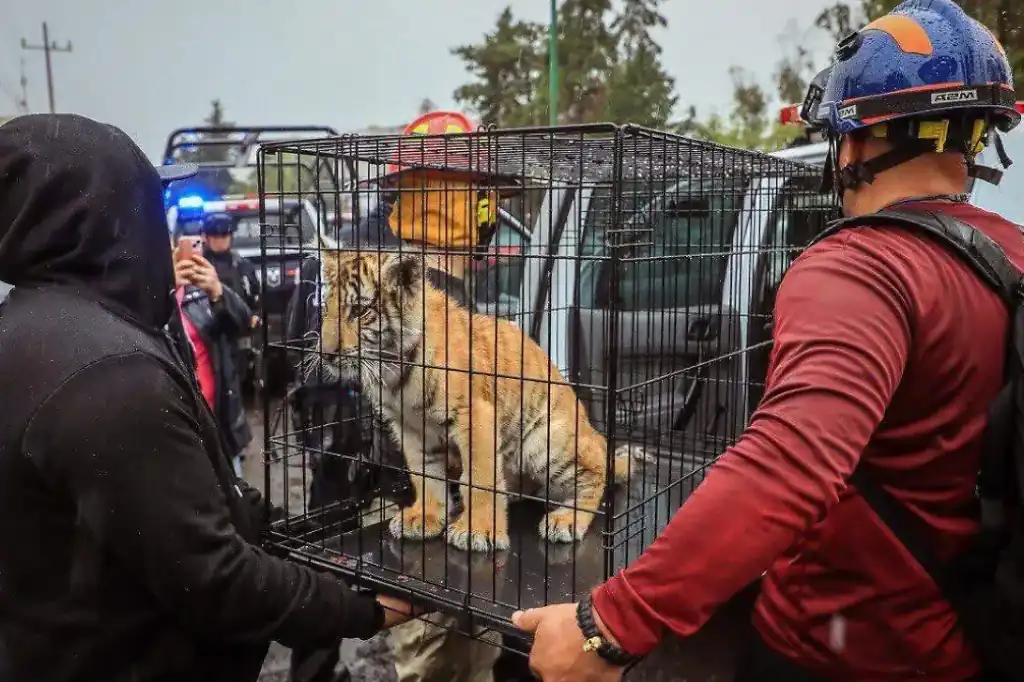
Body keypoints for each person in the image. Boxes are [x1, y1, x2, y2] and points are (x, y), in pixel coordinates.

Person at [511, 2, 1022, 681]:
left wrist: (608, 624)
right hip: (968, 639)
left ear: (853, 143)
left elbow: (787, 468)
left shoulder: (858, 266)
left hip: (836, 652)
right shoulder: (1010, 254)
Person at [0, 113, 420, 682]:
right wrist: (361, 609)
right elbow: (213, 577)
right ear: (109, 218)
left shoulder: (30, 330)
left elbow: (169, 502)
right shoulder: (108, 373)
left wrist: (279, 525)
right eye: (151, 203)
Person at [285, 110, 511, 682]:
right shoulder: (422, 282)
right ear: (472, 201)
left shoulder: (345, 252)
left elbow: (300, 343)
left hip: (338, 464)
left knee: (324, 590)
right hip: (395, 477)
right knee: (443, 644)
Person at [173, 235, 254, 476]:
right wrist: (165, 291)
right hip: (179, 427)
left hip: (218, 424)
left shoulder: (200, 292)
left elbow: (243, 322)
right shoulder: (151, 298)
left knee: (234, 501)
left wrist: (218, 293)